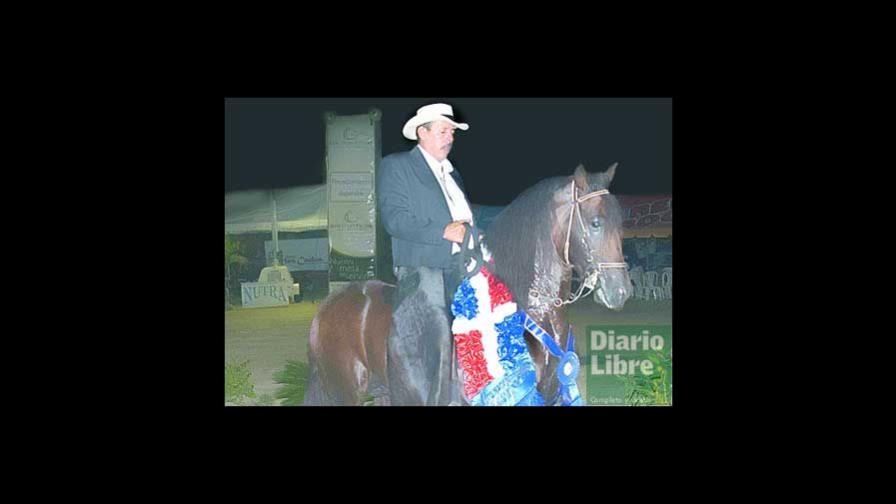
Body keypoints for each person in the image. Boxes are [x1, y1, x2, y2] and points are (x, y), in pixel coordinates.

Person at [376, 103, 474, 405]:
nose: (450, 137)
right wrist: (443, 231)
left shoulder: (453, 176)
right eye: (444, 131)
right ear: (422, 132)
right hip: (423, 270)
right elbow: (395, 219)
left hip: (461, 267)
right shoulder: (398, 166)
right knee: (437, 341)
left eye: (453, 133)